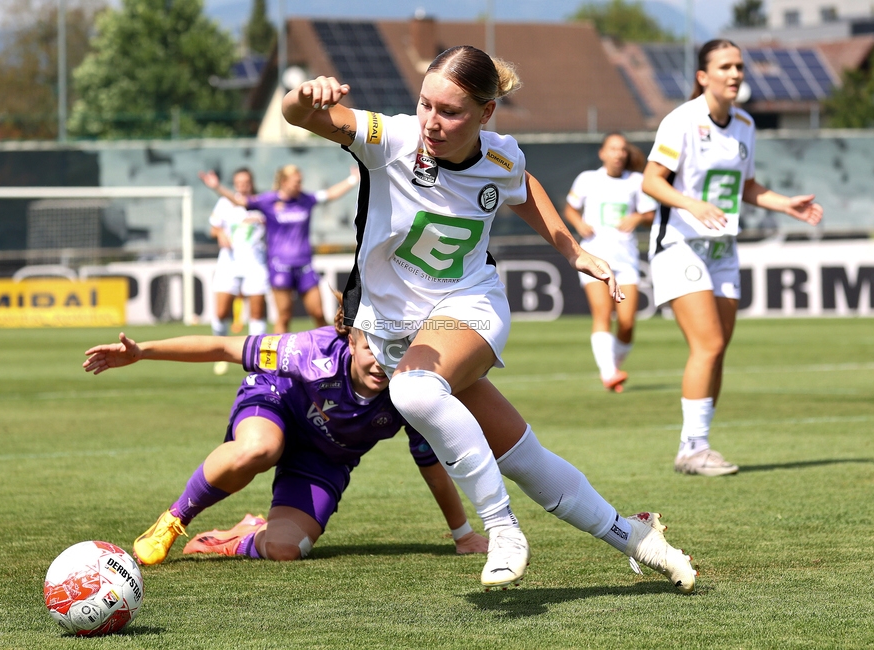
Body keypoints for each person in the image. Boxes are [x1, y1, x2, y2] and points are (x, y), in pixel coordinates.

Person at [281, 44, 697, 593]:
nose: (432, 121)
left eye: (450, 111)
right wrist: (304, 97)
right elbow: (300, 116)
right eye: (426, 104)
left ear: (485, 114)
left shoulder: (500, 157)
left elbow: (526, 191)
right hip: (392, 330)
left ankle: (502, 531)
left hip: (469, 305)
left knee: (413, 393)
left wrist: (573, 251)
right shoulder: (391, 137)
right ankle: (637, 537)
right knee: (523, 458)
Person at [82, 322, 489, 565]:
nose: (383, 361)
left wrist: (463, 534)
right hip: (274, 403)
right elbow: (226, 347)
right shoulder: (310, 351)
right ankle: (174, 519)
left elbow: (430, 464)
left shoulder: (412, 389)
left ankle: (239, 537)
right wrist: (143, 352)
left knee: (284, 550)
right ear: (351, 340)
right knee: (260, 448)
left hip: (325, 457)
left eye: (396, 350)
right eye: (372, 347)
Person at [641, 39, 823, 476]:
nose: (735, 73)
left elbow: (746, 187)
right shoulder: (681, 120)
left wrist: (784, 204)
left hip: (723, 248)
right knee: (709, 344)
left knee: (718, 350)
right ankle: (691, 449)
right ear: (703, 76)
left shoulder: (744, 122)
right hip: (680, 245)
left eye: (739, 65)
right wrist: (692, 205)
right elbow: (651, 181)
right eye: (725, 66)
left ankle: (698, 446)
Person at [200, 165, 360, 334]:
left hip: (304, 265)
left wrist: (353, 179)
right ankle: (278, 358)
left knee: (318, 313)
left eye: (300, 182)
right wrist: (217, 187)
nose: (299, 185)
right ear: (283, 182)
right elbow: (240, 201)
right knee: (284, 316)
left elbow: (330, 194)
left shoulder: (306, 199)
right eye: (296, 182)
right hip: (279, 266)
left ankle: (329, 351)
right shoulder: (268, 201)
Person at [564, 133, 657, 393]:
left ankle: (612, 365)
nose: (618, 154)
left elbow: (650, 214)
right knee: (603, 313)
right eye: (613, 149)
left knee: (627, 324)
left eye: (622, 150)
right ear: (602, 153)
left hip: (626, 260)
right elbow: (570, 208)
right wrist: (579, 223)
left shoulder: (636, 181)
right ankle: (608, 373)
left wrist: (637, 218)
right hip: (595, 258)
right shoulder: (587, 179)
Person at [207, 168, 270, 376]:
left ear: (252, 182)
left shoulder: (261, 203)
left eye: (246, 181)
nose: (242, 185)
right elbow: (213, 228)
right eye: (239, 182)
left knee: (256, 313)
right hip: (229, 263)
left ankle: (255, 362)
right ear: (234, 184)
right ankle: (219, 354)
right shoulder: (224, 203)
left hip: (255, 263)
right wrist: (220, 235)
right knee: (221, 313)